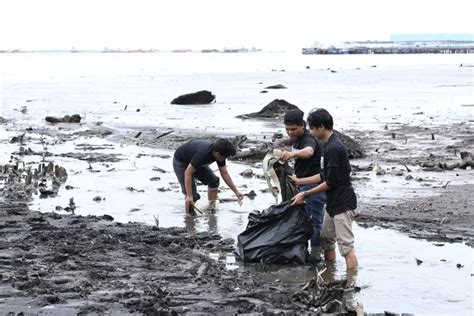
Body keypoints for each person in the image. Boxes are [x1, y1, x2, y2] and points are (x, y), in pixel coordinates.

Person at [291, 108, 358, 269]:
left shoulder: (334, 148)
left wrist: (305, 193)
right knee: (326, 240)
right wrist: (300, 181)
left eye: (313, 128)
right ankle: (330, 274)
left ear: (321, 127)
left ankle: (351, 285)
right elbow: (323, 175)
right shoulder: (327, 146)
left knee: (346, 247)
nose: (312, 133)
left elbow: (331, 182)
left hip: (343, 203)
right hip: (333, 203)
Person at [279, 109, 326, 261]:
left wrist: (293, 154)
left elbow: (309, 152)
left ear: (302, 126)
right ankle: (305, 253)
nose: (289, 133)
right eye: (287, 129)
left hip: (313, 188)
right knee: (304, 222)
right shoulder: (297, 139)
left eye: (293, 129)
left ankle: (316, 255)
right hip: (302, 186)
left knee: (314, 223)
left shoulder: (308, 139)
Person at [173, 138, 244, 214]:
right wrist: (189, 195)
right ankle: (188, 217)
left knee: (214, 181)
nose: (225, 159)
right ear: (217, 154)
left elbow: (224, 173)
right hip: (181, 162)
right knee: (192, 197)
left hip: (195, 163)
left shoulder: (220, 153)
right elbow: (188, 173)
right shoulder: (203, 154)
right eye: (225, 158)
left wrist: (236, 191)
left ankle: (211, 208)